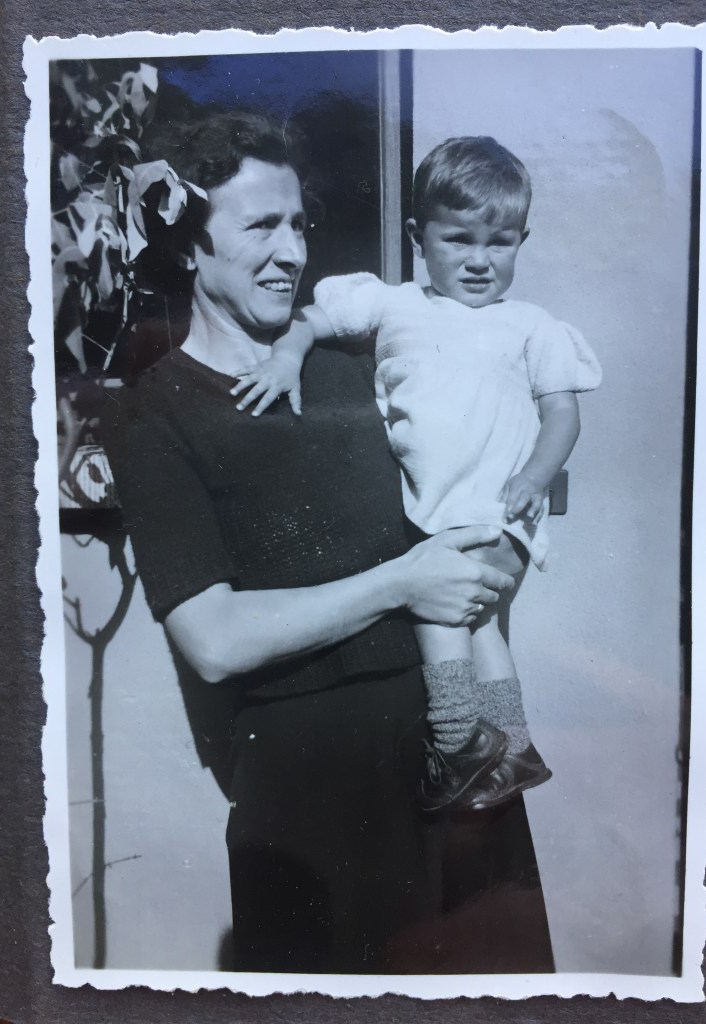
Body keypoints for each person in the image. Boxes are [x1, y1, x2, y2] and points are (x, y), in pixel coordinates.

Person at [103, 112, 554, 974]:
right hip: (312, 802)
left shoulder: (359, 370)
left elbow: (487, 479)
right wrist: (401, 584)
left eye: (299, 224)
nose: (292, 253)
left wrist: (498, 561)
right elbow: (214, 638)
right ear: (190, 246)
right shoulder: (153, 414)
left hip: (455, 758)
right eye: (260, 226)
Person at [230, 135, 602, 815]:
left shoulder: (531, 326)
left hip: (495, 510)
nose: (480, 260)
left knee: (438, 607)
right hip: (429, 511)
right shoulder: (393, 304)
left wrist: (534, 475)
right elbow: (310, 321)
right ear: (416, 237)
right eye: (458, 239)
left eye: (500, 243)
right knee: (480, 624)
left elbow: (562, 416)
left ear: (521, 241)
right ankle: (514, 748)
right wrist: (285, 357)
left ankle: (457, 746)